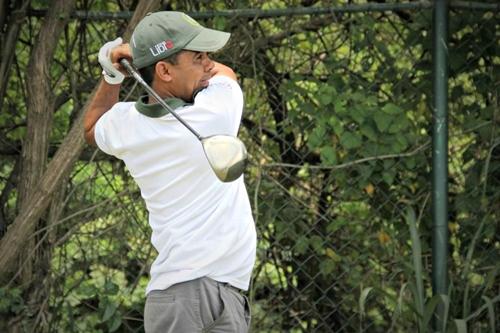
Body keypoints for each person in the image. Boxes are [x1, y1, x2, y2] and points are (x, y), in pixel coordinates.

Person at [83, 11, 256, 333]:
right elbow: (227, 73)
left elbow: (92, 128)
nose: (208, 65)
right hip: (190, 295)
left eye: (207, 57)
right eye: (198, 57)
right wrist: (140, 58)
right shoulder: (214, 112)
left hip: (199, 294)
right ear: (163, 70)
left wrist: (112, 75)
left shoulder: (127, 126)